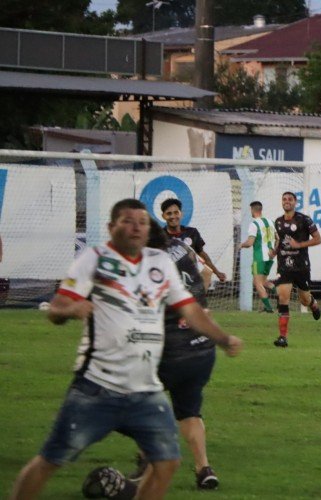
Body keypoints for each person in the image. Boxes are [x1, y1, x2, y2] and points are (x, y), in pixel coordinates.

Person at [10, 199, 242, 500]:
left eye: (142, 222)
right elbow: (56, 308)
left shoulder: (159, 264)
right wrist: (72, 309)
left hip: (146, 390)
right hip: (97, 387)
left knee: (168, 462)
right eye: (128, 221)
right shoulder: (94, 260)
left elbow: (191, 310)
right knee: (51, 460)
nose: (136, 228)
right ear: (111, 227)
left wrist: (223, 339)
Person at [144, 220, 222, 489]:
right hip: (201, 346)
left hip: (170, 349)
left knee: (141, 403)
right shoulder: (180, 246)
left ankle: (146, 464)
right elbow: (205, 276)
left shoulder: (151, 262)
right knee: (190, 411)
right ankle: (204, 468)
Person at [271, 191, 321, 348]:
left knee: (304, 300)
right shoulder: (278, 222)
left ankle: (313, 304)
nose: (287, 202)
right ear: (282, 202)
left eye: (290, 199)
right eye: (284, 199)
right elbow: (278, 241)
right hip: (284, 265)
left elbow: (318, 239)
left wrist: (299, 245)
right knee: (283, 297)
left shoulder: (304, 220)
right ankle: (282, 337)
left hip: (301, 266)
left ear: (295, 202)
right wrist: (274, 251)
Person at [160, 198, 227, 285]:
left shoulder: (192, 232)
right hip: (169, 282)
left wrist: (217, 272)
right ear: (163, 216)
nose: (173, 216)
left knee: (206, 273)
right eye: (169, 213)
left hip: (190, 280)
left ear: (181, 214)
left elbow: (202, 254)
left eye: (176, 212)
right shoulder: (159, 236)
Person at [239, 201, 277, 313]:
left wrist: (241, 245)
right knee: (264, 282)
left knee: (257, 283)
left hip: (260, 257)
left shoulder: (254, 224)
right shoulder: (271, 222)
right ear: (261, 209)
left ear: (252, 210)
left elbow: (250, 242)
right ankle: (280, 294)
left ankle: (269, 308)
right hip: (270, 257)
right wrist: (274, 250)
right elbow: (278, 238)